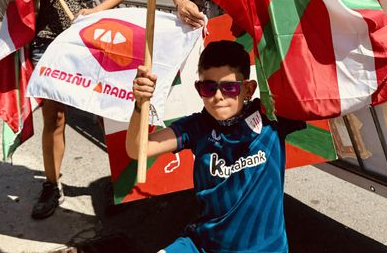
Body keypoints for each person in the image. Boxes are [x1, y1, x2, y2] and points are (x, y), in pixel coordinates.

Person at [127, 40, 305, 253]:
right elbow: (138, 149)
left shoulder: (272, 118)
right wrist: (139, 104)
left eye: (229, 87)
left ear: (248, 89)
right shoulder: (195, 127)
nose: (218, 96)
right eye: (208, 87)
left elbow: (319, 93)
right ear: (198, 89)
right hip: (201, 245)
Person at [29, 0, 124, 220]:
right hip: (46, 45)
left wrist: (92, 12)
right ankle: (52, 185)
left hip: (87, 45)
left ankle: (122, 182)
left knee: (105, 117)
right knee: (54, 120)